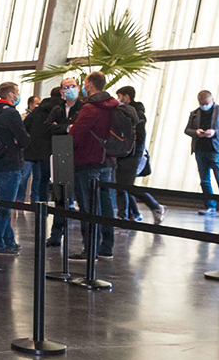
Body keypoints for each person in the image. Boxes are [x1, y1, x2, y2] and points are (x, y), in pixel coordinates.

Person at [70, 71, 118, 260]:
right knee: (106, 206)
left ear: (90, 85)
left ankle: (90, 249)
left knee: (89, 207)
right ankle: (106, 247)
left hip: (88, 161)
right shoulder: (113, 106)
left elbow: (77, 135)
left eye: (85, 82)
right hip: (107, 161)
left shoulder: (90, 108)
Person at [0, 82, 31, 256]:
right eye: (16, 92)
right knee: (6, 206)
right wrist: (21, 141)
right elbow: (24, 139)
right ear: (10, 94)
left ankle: (8, 240)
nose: (18, 95)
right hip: (11, 163)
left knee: (4, 202)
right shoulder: (11, 113)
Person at [41, 77, 86, 246]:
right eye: (65, 87)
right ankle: (55, 235)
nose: (69, 90)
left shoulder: (84, 108)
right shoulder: (58, 109)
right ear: (61, 91)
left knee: (82, 200)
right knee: (60, 198)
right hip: (60, 155)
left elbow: (81, 129)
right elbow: (46, 128)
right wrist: (67, 127)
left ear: (78, 88)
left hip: (79, 156)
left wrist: (60, 126)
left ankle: (86, 240)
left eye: (72, 86)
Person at [114, 86, 165, 223]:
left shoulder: (137, 114)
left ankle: (154, 206)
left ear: (126, 96)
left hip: (133, 154)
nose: (119, 99)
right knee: (121, 185)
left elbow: (140, 137)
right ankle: (130, 214)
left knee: (126, 185)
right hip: (122, 153)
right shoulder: (123, 112)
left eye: (120, 96)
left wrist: (136, 153)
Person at [185, 90, 219, 215]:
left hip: (216, 150)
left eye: (206, 103)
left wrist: (215, 133)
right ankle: (210, 206)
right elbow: (187, 129)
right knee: (204, 180)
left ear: (212, 100)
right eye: (201, 103)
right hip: (200, 150)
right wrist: (196, 132)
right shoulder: (195, 113)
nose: (203, 106)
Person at [22, 87, 63, 209]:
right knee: (46, 179)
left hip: (33, 149)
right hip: (51, 149)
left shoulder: (38, 109)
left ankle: (30, 201)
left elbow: (25, 124)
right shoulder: (61, 109)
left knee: (33, 177)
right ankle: (45, 203)